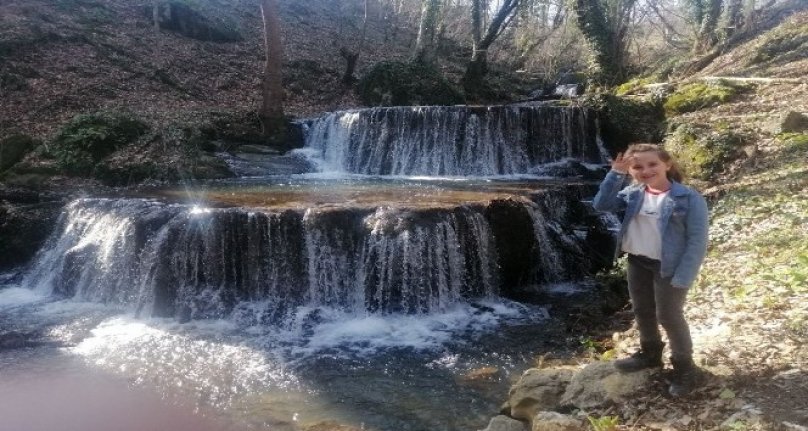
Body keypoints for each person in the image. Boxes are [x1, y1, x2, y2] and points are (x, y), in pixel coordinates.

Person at [592, 143, 709, 397]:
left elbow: (697, 241)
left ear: (667, 164)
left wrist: (685, 275)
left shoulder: (688, 198)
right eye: (638, 167)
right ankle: (650, 353)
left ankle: (685, 368)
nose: (646, 170)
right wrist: (615, 174)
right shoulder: (633, 194)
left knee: (669, 316)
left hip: (669, 266)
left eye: (652, 164)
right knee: (642, 310)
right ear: (631, 171)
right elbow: (601, 205)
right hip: (638, 261)